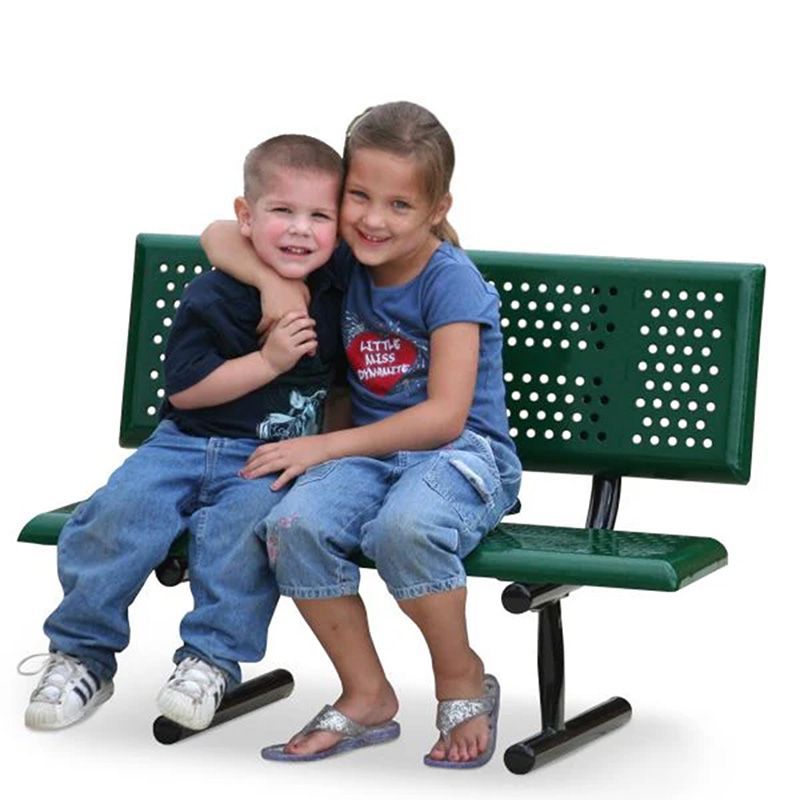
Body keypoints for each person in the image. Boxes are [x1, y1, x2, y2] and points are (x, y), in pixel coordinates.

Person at [201, 101, 522, 768]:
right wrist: (273, 286)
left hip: (463, 457)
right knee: (292, 523)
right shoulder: (346, 262)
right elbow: (216, 233)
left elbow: (446, 417)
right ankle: (367, 692)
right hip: (374, 457)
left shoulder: (449, 281)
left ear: (438, 208)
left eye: (400, 205)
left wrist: (322, 445)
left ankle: (462, 677)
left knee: (405, 528)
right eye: (359, 197)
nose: (375, 219)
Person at [19, 134, 346, 732]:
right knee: (118, 513)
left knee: (242, 531)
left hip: (269, 455)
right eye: (282, 212)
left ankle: (211, 662)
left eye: (319, 216)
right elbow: (186, 391)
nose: (301, 230)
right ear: (248, 216)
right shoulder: (214, 293)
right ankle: (81, 655)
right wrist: (270, 362)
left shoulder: (336, 288)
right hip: (182, 443)